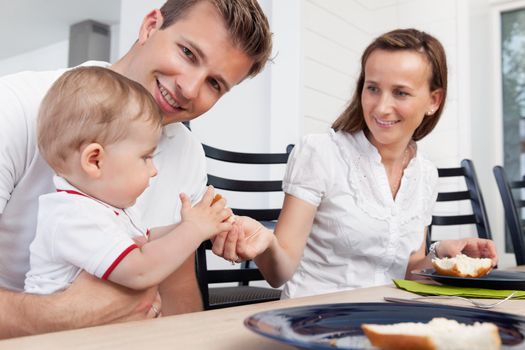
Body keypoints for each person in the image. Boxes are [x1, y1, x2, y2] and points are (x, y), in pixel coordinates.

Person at [0, 0, 271, 338]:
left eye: (215, 84)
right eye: (188, 53)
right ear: (149, 26)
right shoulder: (14, 108)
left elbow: (177, 293)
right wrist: (62, 315)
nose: (189, 88)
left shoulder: (186, 154)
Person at [212, 28, 498, 299]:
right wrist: (266, 242)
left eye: (401, 92)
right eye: (373, 88)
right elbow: (279, 273)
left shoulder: (426, 173)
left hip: (388, 319)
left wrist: (442, 255)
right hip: (316, 319)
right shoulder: (320, 152)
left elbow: (408, 271)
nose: (381, 107)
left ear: (433, 100)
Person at [25, 66, 232, 300]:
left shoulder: (107, 208)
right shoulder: (73, 216)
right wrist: (193, 230)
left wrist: (194, 224)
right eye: (145, 157)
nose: (154, 171)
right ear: (95, 161)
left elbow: (146, 240)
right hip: (60, 336)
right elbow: (140, 270)